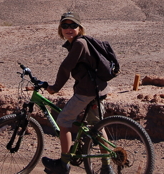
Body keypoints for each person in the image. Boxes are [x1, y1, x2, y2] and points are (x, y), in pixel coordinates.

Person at [42, 11, 113, 174]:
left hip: (87, 92)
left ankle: (63, 164)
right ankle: (106, 166)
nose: (69, 28)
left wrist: (54, 88)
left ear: (80, 28)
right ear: (60, 29)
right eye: (65, 26)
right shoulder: (80, 42)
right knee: (97, 126)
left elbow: (65, 68)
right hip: (98, 89)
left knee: (64, 120)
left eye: (73, 25)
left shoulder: (79, 44)